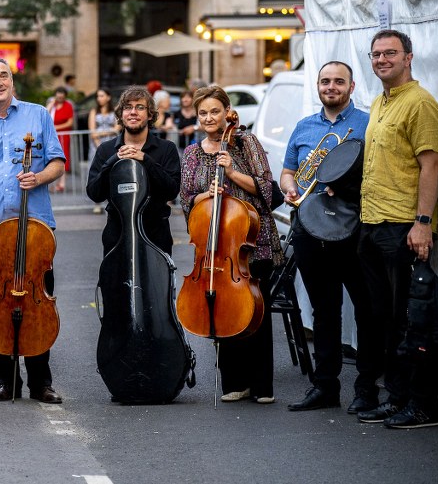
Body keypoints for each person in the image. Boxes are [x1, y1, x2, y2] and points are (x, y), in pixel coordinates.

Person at [0, 57, 66, 404]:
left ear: (11, 80)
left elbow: (57, 161)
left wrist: (38, 177)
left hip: (35, 225)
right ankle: (8, 381)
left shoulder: (37, 114)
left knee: (39, 301)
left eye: (3, 75)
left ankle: (41, 383)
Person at [354, 29, 438, 429]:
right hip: (373, 223)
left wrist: (422, 224)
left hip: (403, 227)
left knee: (412, 320)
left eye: (390, 53)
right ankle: (397, 398)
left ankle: (424, 405)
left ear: (409, 57)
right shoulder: (378, 102)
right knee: (385, 319)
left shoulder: (421, 104)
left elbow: (431, 165)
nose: (381, 59)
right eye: (375, 54)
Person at [279, 61, 376, 413]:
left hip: (353, 229)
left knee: (366, 309)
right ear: (318, 86)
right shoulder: (304, 126)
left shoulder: (367, 123)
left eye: (338, 81)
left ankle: (366, 389)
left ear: (351, 87)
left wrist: (348, 185)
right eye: (325, 81)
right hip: (309, 226)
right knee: (324, 310)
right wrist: (290, 188)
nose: (331, 86)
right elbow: (288, 171)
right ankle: (326, 387)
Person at [179, 85, 284, 404]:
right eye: (203, 113)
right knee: (223, 313)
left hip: (253, 243)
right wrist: (203, 195)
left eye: (214, 111)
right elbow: (185, 199)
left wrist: (232, 173)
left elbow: (269, 190)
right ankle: (235, 382)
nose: (209, 118)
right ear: (197, 118)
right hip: (215, 249)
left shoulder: (245, 141)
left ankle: (262, 384)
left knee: (256, 313)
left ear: (227, 113)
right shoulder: (193, 153)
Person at [86, 87, 181, 254]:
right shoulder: (106, 150)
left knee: (156, 280)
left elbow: (171, 191)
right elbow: (95, 193)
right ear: (121, 115)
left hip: (156, 234)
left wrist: (145, 159)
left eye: (140, 107)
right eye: (128, 107)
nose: (133, 112)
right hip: (117, 234)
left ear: (150, 115)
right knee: (113, 280)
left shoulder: (166, 148)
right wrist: (114, 160)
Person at [47, 86, 74, 193]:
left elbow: (70, 122)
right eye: (58, 96)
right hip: (52, 135)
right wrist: (51, 103)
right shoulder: (53, 105)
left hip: (63, 135)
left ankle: (62, 183)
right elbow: (45, 113)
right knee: (51, 158)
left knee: (63, 157)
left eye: (62, 96)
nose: (60, 98)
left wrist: (56, 128)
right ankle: (53, 182)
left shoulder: (68, 106)